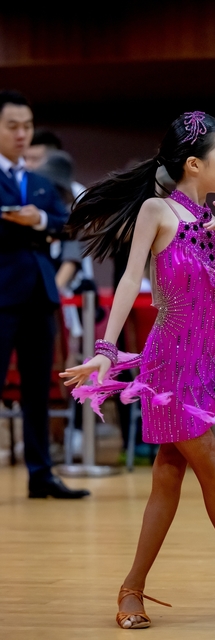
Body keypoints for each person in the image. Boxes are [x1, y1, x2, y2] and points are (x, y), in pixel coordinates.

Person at [60, 111, 215, 628]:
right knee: (213, 468)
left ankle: (132, 589)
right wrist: (106, 348)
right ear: (194, 164)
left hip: (206, 364)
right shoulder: (158, 210)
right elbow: (129, 279)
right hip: (169, 364)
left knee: (168, 475)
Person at [0, 89, 90, 499]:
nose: (21, 134)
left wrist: (38, 220)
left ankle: (41, 474)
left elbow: (66, 225)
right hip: (2, 293)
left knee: (38, 388)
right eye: (12, 126)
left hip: (39, 293)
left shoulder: (39, 182)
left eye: (27, 126)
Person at [24, 128, 86, 200]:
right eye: (24, 159)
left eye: (35, 159)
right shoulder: (18, 189)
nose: (27, 164)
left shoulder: (78, 193)